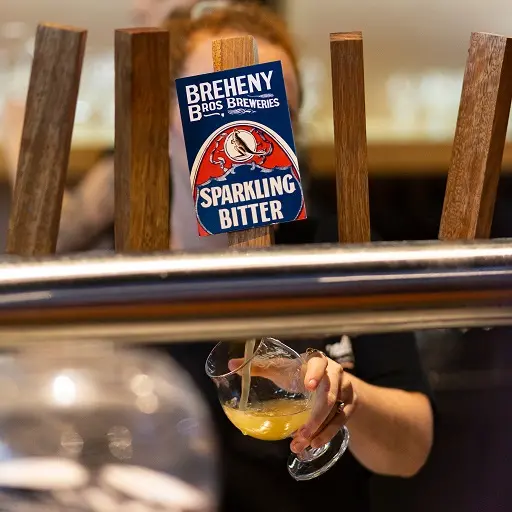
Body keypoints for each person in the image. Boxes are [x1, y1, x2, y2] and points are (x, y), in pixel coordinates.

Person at [1, 3, 434, 511]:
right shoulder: (112, 270)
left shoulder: (337, 250)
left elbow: (411, 449)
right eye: (215, 105)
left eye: (271, 107)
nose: (241, 128)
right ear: (161, 121)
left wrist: (350, 398)